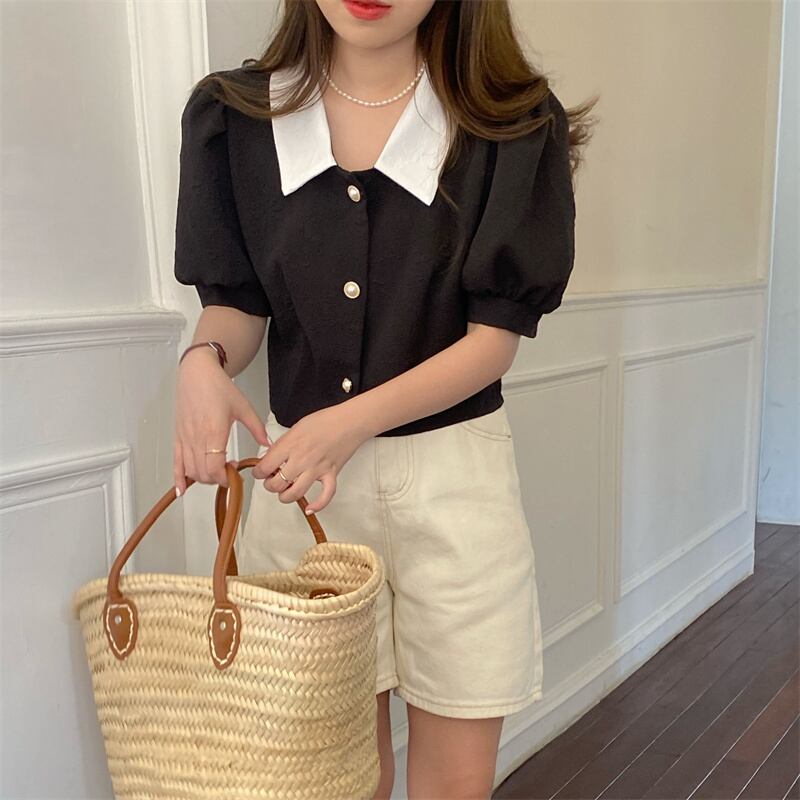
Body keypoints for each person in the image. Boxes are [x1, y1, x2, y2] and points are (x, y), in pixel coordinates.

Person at [173, 1, 596, 797]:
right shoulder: (234, 119)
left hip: (452, 487)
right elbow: (236, 306)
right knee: (336, 779)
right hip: (302, 494)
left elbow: (493, 340)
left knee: (455, 784)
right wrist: (203, 361)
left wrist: (347, 424)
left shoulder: (509, 121)